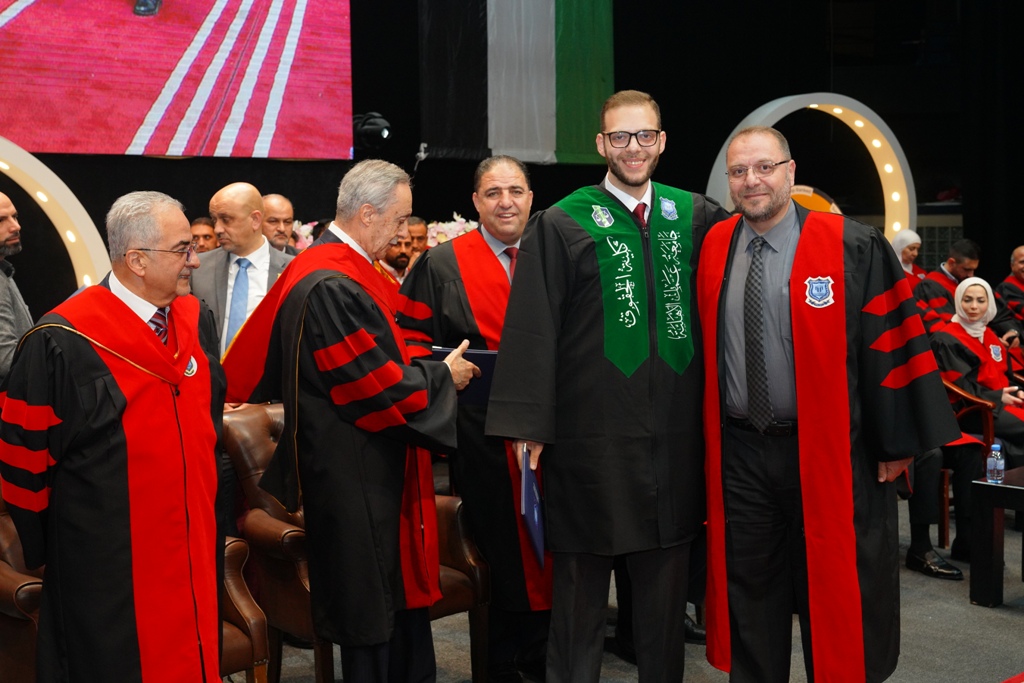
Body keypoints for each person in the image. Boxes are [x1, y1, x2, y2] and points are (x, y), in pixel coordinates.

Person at [696, 126, 959, 682]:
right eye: (739, 171)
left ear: (791, 171)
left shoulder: (851, 245)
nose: (752, 180)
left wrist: (896, 443)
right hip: (741, 451)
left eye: (765, 167)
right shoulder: (713, 246)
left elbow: (891, 345)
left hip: (834, 450)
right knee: (749, 588)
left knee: (840, 587)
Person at [486, 90, 730, 683]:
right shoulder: (563, 221)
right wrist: (527, 426)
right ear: (601, 144)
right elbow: (532, 327)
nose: (633, 148)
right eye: (620, 137)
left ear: (661, 141)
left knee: (664, 608)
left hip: (672, 440)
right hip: (589, 442)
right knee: (578, 600)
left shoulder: (694, 215)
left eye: (644, 135)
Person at [220, 159, 479, 683]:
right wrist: (441, 377)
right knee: (370, 612)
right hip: (355, 472)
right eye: (400, 218)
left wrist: (421, 366)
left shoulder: (340, 269)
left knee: (388, 604)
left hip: (366, 464)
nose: (404, 231)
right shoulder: (331, 282)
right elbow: (369, 385)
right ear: (367, 213)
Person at [0, 191, 220, 681]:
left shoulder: (195, 320)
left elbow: (209, 428)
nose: (195, 260)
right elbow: (25, 465)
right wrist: (64, 551)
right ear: (136, 260)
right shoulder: (62, 340)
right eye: (182, 249)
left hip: (193, 544)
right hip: (106, 565)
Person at [398, 155, 551, 682]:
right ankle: (504, 664)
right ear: (475, 202)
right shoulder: (441, 265)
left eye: (516, 191)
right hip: (482, 439)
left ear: (531, 198)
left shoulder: (559, 253)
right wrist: (446, 372)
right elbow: (411, 345)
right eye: (493, 193)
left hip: (559, 437)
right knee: (501, 554)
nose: (506, 202)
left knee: (560, 548)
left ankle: (552, 658)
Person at [191, 182, 293, 355]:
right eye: (215, 220)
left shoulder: (293, 270)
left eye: (226, 220)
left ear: (255, 220)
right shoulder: (197, 268)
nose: (217, 229)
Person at [932, 277, 1024, 462]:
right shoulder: (946, 339)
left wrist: (1018, 392)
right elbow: (960, 387)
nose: (974, 306)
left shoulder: (990, 335)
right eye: (967, 300)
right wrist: (997, 397)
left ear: (989, 303)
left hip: (1002, 403)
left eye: (981, 301)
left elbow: (1005, 376)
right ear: (958, 301)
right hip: (974, 409)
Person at [915, 238, 981, 334]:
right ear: (951, 263)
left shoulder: (968, 281)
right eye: (966, 269)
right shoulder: (931, 286)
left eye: (973, 270)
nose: (971, 275)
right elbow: (945, 326)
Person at [0, 192, 32, 384]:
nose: (15, 226)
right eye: (1, 220)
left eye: (15, 216)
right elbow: (6, 361)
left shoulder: (3, 271)